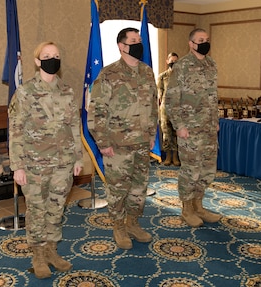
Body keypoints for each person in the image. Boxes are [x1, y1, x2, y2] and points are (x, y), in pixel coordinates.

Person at [8, 41, 83, 279]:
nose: (53, 59)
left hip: (63, 162)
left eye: (57, 55)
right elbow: (16, 130)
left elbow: (74, 126)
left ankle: (52, 251)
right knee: (37, 210)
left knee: (56, 209)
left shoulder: (67, 91)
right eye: (47, 55)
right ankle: (38, 255)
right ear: (37, 61)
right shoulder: (25, 92)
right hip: (34, 164)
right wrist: (17, 166)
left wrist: (78, 158)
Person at [87, 27, 158, 249]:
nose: (139, 44)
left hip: (141, 143)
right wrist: (103, 143)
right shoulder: (108, 74)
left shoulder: (147, 72)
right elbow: (97, 111)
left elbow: (153, 106)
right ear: (122, 46)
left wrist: (151, 136)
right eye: (134, 40)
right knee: (118, 189)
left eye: (139, 40)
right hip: (117, 145)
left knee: (139, 188)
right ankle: (119, 227)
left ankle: (133, 223)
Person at [165, 28, 222, 228]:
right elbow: (171, 99)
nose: (205, 42)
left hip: (208, 127)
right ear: (191, 43)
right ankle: (187, 209)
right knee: (191, 170)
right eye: (200, 40)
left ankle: (199, 205)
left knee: (207, 169)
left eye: (207, 39)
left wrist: (215, 121)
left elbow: (213, 97)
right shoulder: (182, 66)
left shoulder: (211, 64)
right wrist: (179, 126)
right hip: (189, 129)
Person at [157, 52, 180, 166]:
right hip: (165, 109)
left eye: (175, 61)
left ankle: (175, 156)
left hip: (178, 109)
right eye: (171, 61)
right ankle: (168, 156)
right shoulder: (162, 76)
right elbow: (160, 92)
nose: (173, 63)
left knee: (176, 133)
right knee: (166, 133)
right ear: (167, 61)